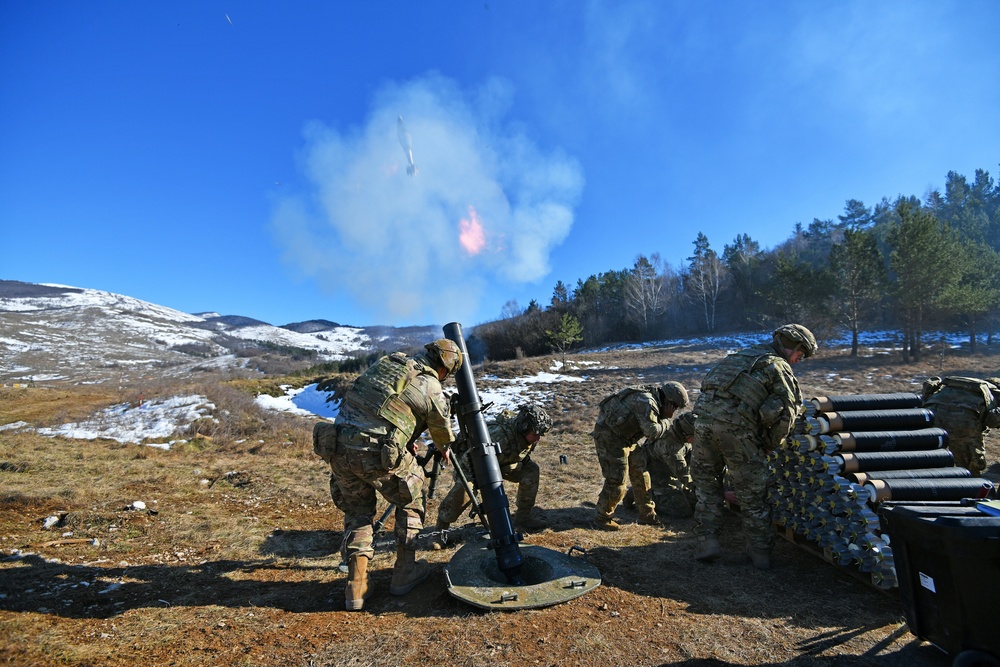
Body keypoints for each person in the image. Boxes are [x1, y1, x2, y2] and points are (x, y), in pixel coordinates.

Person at [312, 339, 462, 611]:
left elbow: (378, 408)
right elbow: (441, 431)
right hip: (378, 453)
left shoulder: (388, 364)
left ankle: (356, 586)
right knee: (411, 497)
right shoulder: (431, 386)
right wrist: (444, 449)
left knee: (358, 512)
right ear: (445, 369)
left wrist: (403, 436)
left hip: (338, 446)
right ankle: (405, 572)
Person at [691, 324, 816, 570]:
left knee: (706, 487)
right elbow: (788, 413)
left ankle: (708, 542)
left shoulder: (738, 357)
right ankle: (759, 553)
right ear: (795, 347)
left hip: (703, 427)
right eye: (801, 356)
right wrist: (770, 445)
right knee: (753, 493)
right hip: (736, 432)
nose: (799, 361)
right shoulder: (777, 366)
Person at [432, 404, 553, 547]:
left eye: (540, 435)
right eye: (535, 434)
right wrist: (481, 481)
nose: (538, 438)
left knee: (531, 471)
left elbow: (520, 454)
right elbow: (468, 458)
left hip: (501, 464)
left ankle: (523, 517)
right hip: (472, 465)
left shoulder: (527, 435)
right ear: (524, 428)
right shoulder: (499, 436)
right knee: (465, 490)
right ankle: (439, 531)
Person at [591, 381, 689, 530]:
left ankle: (647, 514)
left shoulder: (654, 399)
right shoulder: (647, 401)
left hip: (626, 438)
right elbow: (652, 432)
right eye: (674, 406)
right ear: (668, 401)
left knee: (641, 473)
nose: (674, 411)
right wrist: (667, 420)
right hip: (610, 437)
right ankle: (602, 517)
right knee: (616, 481)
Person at [921, 375, 1000, 476]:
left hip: (933, 414)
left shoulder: (958, 385)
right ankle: (967, 485)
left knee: (935, 454)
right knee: (971, 463)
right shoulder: (993, 393)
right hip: (963, 421)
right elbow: (992, 421)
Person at [627, 411, 698, 519]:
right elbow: (684, 475)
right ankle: (646, 494)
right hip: (658, 479)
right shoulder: (671, 447)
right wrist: (704, 489)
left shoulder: (675, 431)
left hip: (669, 473)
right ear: (686, 435)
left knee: (695, 502)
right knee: (683, 511)